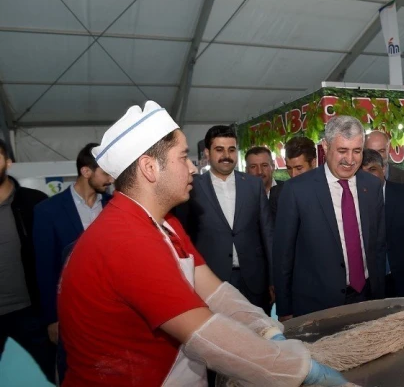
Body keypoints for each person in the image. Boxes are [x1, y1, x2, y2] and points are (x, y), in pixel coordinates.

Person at [58, 101, 344, 386]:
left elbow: (213, 291)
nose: (193, 168)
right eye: (183, 157)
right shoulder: (126, 239)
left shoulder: (164, 222)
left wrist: (265, 329)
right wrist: (300, 371)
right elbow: (206, 337)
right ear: (149, 168)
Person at [273, 115, 387, 320]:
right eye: (342, 150)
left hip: (367, 297)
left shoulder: (372, 185)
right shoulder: (297, 190)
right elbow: (283, 255)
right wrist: (284, 309)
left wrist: (379, 294)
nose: (350, 160)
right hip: (316, 304)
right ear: (325, 147)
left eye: (357, 151)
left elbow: (377, 244)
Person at [178, 125, 274, 316]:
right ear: (207, 153)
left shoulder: (253, 185)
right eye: (219, 150)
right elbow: (184, 239)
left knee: (261, 329)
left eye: (231, 150)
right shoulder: (192, 188)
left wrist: (273, 280)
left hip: (254, 281)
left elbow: (267, 234)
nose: (226, 156)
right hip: (212, 282)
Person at [33, 143, 113, 342]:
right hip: (72, 310)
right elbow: (45, 269)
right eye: (105, 173)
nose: (111, 180)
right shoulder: (47, 211)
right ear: (86, 172)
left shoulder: (115, 206)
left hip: (113, 309)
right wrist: (52, 318)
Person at [0, 138, 56, 384]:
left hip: (30, 313)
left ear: (8, 162)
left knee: (47, 375)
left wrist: (53, 314)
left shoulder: (34, 202)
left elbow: (53, 258)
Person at [362, 148, 404, 297]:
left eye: (372, 169)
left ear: (383, 169)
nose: (367, 177)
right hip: (368, 285)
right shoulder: (352, 202)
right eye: (362, 172)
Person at [269, 136, 317, 222]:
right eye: (289, 168)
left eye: (299, 168)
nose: (293, 175)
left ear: (313, 163)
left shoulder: (328, 189)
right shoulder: (277, 194)